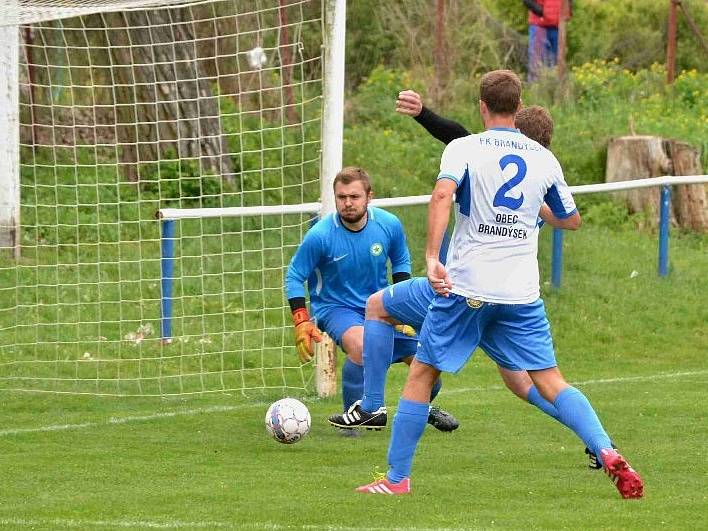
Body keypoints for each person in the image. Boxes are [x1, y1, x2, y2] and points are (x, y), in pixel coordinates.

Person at [355, 70, 643, 499]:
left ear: (482, 106)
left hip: (467, 289)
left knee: (420, 374)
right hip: (520, 294)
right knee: (550, 380)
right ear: (519, 103)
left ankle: (396, 480)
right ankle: (605, 450)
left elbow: (441, 196)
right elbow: (571, 218)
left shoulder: (465, 147)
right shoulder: (544, 159)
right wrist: (531, 215)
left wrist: (433, 258)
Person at [284, 166, 459, 432]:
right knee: (362, 345)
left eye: (354, 197)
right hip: (336, 308)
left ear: (369, 196)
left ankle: (419, 409)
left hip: (381, 306)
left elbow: (400, 261)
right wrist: (301, 321)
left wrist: (404, 310)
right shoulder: (320, 235)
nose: (347, 203)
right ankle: (355, 418)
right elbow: (295, 276)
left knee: (429, 367)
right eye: (341, 197)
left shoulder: (388, 225)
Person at [524, 0, 572, 81]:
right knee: (537, 61)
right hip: (539, 25)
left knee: (556, 63)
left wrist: (568, 11)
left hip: (558, 27)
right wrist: (542, 12)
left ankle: (553, 89)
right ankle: (534, 89)